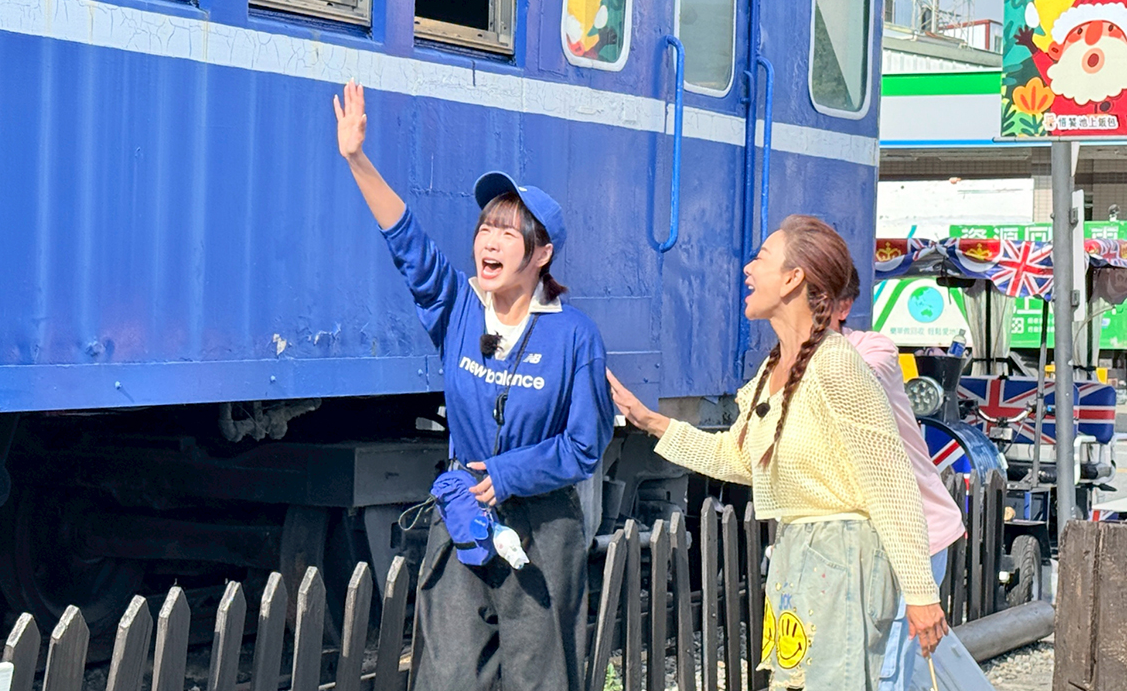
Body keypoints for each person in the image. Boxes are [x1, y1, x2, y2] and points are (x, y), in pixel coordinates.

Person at [333, 80, 614, 691]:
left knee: (542, 679)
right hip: (462, 516)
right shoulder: (458, 308)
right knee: (450, 675)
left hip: (544, 529)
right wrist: (357, 159)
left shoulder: (575, 339)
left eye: (508, 232)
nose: (488, 240)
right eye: (486, 227)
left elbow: (585, 447)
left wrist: (507, 477)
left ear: (540, 256)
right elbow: (408, 245)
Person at [607, 215, 947, 691]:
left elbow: (891, 486)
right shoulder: (776, 368)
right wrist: (651, 422)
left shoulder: (837, 366)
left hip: (843, 558)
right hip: (798, 555)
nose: (748, 270)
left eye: (762, 259)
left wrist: (920, 593)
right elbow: (739, 457)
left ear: (793, 278)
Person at [833, 268, 976, 691]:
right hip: (853, 540)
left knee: (887, 667)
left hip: (912, 532)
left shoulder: (871, 349)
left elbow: (857, 380)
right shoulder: (785, 364)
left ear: (842, 307)